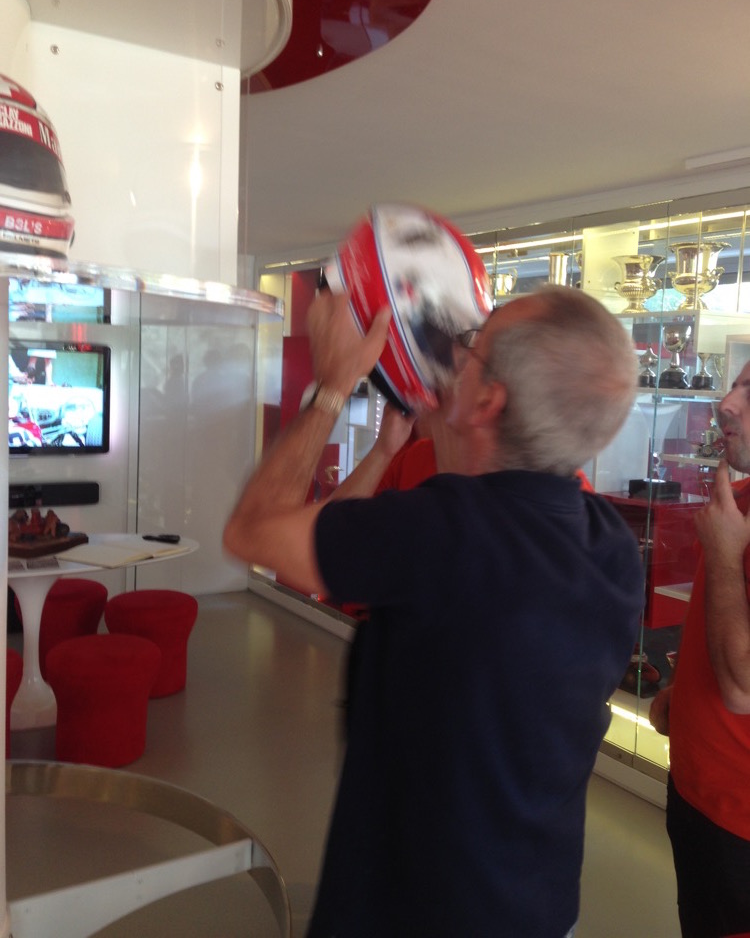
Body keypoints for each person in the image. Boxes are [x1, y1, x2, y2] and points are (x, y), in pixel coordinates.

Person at [224, 285, 644, 938]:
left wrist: (334, 386)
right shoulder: (610, 543)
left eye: (473, 346)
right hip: (540, 905)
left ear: (490, 400)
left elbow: (252, 531)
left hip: (414, 912)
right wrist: (416, 434)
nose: (455, 358)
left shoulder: (440, 533)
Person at [650, 359, 750, 938]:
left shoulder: (728, 526)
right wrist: (679, 690)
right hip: (694, 789)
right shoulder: (736, 502)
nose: (726, 403)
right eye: (734, 385)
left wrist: (724, 554)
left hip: (740, 821)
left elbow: (742, 689)